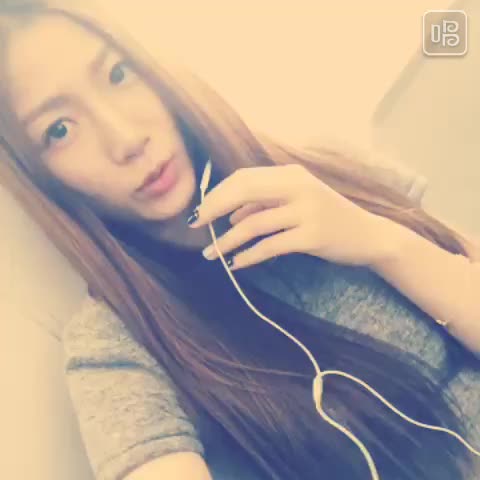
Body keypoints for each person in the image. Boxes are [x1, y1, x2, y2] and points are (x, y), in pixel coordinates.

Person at [0, 1, 479, 479]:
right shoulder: (115, 344)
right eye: (59, 130)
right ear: (43, 176)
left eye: (118, 74)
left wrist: (379, 241)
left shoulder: (320, 168)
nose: (125, 138)